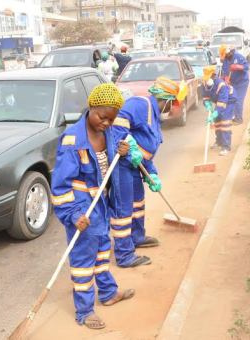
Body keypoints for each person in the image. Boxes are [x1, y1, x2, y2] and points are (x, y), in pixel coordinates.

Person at [51, 83, 135, 329]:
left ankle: (108, 294)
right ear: (90, 108)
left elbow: (121, 151)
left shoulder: (109, 133)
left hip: (101, 205)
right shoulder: (72, 141)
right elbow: (60, 187)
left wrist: (123, 149)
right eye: (102, 116)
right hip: (82, 209)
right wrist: (73, 215)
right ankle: (85, 311)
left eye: (111, 119)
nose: (106, 123)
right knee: (82, 261)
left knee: (101, 252)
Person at [110, 77, 186, 268]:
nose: (173, 107)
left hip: (137, 166)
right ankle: (124, 254)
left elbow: (148, 149)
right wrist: (129, 144)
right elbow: (117, 124)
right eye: (173, 103)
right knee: (124, 209)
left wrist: (151, 173)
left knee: (138, 203)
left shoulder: (155, 115)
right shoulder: (140, 104)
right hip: (123, 164)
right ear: (166, 99)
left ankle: (137, 236)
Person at [202, 66, 238, 156]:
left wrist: (215, 112)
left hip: (229, 100)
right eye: (206, 78)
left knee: (225, 122)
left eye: (209, 78)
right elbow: (205, 96)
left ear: (214, 76)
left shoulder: (221, 85)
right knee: (217, 121)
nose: (207, 80)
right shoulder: (204, 83)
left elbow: (222, 102)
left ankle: (226, 147)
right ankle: (219, 141)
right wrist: (207, 104)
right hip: (219, 101)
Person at [219, 44, 249, 125]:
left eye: (225, 55)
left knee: (238, 100)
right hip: (233, 83)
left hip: (242, 82)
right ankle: (232, 116)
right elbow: (225, 72)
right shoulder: (225, 60)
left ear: (229, 52)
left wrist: (237, 67)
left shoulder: (238, 56)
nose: (225, 57)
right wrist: (226, 79)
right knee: (231, 100)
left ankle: (239, 119)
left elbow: (246, 67)